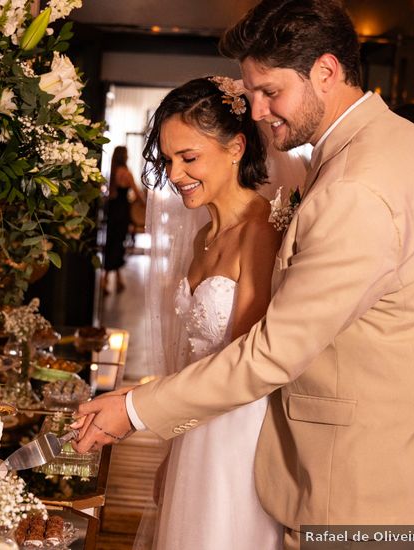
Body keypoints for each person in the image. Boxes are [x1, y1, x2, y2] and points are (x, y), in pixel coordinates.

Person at [72, 1, 414, 548]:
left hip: (370, 474)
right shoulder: (401, 145)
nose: (255, 109)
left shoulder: (356, 186)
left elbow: (273, 350)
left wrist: (135, 409)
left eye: (270, 91)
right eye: (251, 92)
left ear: (326, 71)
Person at [134, 76, 284, 549]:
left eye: (189, 158)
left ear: (236, 147)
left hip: (236, 442)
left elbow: (245, 362)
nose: (175, 174)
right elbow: (188, 356)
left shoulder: (261, 231)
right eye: (168, 159)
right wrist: (172, 447)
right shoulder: (203, 236)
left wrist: (140, 409)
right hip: (194, 428)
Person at [101, 146, 140, 294]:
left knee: (111, 242)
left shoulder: (113, 172)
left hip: (112, 211)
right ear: (124, 156)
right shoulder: (126, 173)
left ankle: (116, 279)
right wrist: (142, 204)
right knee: (118, 243)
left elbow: (110, 195)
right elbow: (137, 193)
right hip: (123, 211)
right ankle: (106, 281)